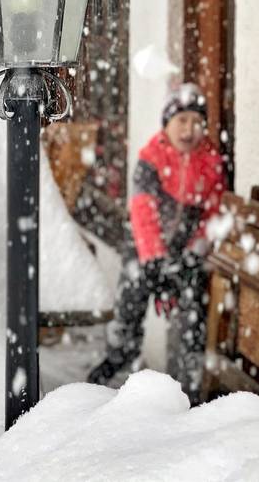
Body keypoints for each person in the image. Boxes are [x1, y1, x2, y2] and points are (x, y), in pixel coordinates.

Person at [87, 83, 225, 403]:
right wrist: (155, 260)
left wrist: (195, 251)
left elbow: (213, 213)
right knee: (132, 292)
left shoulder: (211, 162)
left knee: (192, 303)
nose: (190, 130)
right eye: (182, 121)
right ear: (167, 124)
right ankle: (120, 356)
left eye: (197, 122)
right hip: (145, 245)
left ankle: (189, 380)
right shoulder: (151, 157)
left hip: (186, 251)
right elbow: (142, 210)